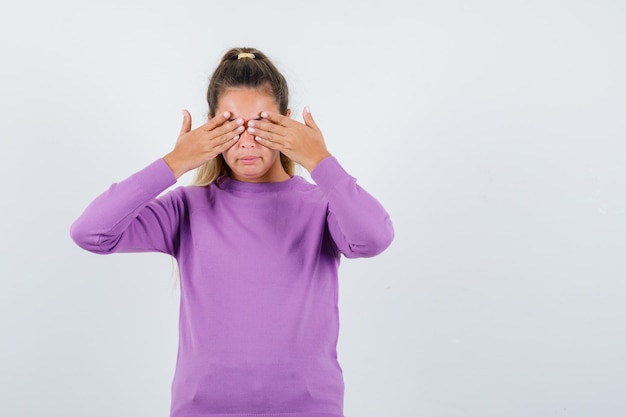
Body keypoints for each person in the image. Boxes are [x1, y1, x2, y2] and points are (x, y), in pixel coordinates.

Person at [70, 46, 394, 417]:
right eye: (231, 126)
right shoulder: (186, 208)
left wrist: (320, 161)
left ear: (287, 123)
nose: (247, 141)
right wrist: (175, 162)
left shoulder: (322, 206)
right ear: (210, 126)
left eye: (262, 123)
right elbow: (91, 233)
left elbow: (374, 238)